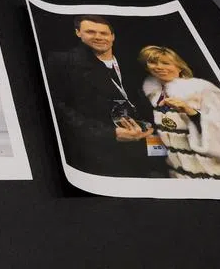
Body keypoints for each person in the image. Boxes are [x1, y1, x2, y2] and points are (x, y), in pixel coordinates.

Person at [48, 15, 167, 177]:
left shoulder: (132, 63)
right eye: (90, 32)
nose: (98, 37)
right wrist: (111, 134)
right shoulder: (62, 62)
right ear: (78, 33)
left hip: (147, 147)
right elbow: (58, 111)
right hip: (101, 155)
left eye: (104, 33)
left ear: (112, 36)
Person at [139, 46, 220, 181]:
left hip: (218, 172)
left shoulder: (202, 91)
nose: (159, 67)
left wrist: (192, 112)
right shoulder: (150, 96)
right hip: (183, 174)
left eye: (166, 63)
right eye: (153, 62)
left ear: (179, 67)